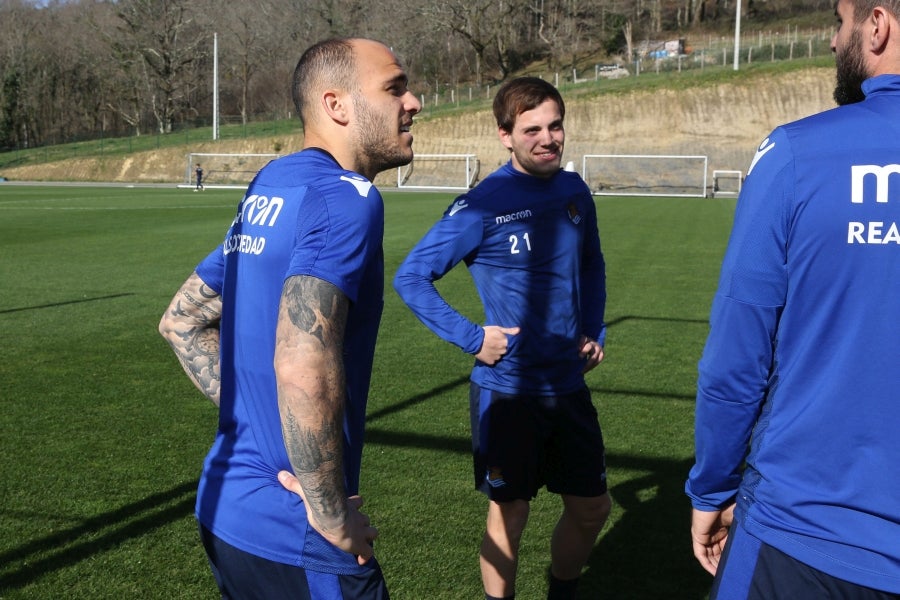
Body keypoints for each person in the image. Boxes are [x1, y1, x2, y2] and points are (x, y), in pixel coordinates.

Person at [158, 37, 421, 599]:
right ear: (337, 105)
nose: (414, 101)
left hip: (224, 509)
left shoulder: (272, 186)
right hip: (293, 533)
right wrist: (329, 518)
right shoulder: (348, 198)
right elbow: (303, 363)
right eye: (394, 88)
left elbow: (181, 322)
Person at [685, 1, 900, 598]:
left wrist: (711, 488)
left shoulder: (798, 155)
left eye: (841, 21)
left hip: (803, 528)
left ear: (876, 25)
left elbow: (736, 356)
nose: (835, 42)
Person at [393, 76, 611, 600]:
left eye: (555, 125)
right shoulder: (482, 203)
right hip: (508, 390)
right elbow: (410, 277)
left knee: (592, 508)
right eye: (531, 128)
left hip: (567, 384)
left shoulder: (574, 191)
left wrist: (593, 329)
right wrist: (471, 338)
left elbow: (593, 264)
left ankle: (563, 591)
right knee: (510, 512)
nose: (548, 138)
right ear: (504, 135)